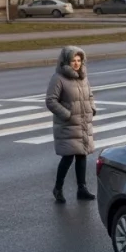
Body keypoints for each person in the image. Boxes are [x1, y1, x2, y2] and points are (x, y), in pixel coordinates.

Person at [46, 46, 96, 203]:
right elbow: (50, 101)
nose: (76, 63)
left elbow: (90, 95)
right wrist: (66, 114)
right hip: (68, 124)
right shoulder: (59, 78)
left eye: (79, 60)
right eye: (73, 60)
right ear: (66, 61)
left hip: (82, 123)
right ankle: (58, 188)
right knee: (67, 157)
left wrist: (92, 108)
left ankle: (82, 188)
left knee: (82, 155)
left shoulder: (83, 77)